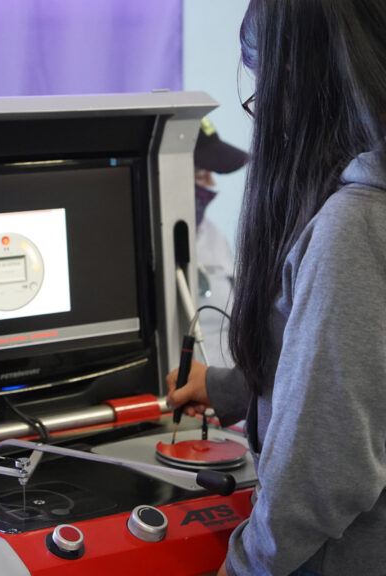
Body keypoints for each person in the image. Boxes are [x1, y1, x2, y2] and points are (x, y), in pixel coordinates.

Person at [167, 1, 386, 574]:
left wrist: (243, 567)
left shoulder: (354, 226)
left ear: (297, 77)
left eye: (259, 87)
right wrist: (232, 387)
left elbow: (319, 476)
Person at [194, 117, 248, 367]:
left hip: (225, 394)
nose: (212, 186)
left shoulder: (213, 234)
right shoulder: (147, 248)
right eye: (202, 174)